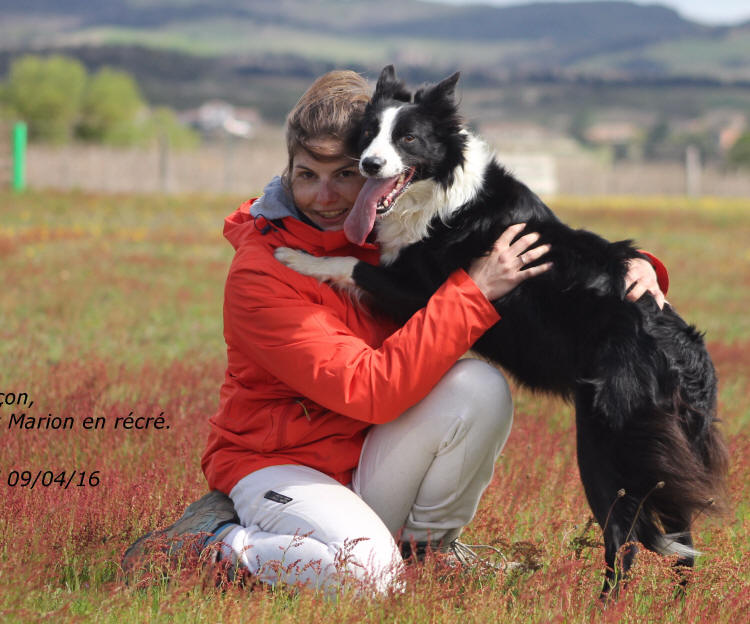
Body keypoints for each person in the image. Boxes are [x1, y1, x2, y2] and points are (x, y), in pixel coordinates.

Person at [122, 70, 668, 594]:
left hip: (365, 458)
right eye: (307, 174)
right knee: (365, 577)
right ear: (287, 167)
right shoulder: (263, 271)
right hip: (283, 466)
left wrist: (632, 266)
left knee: (477, 386)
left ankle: (426, 552)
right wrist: (473, 292)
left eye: (347, 175)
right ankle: (211, 546)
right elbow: (370, 390)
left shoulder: (382, 231)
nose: (326, 197)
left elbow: (535, 244)